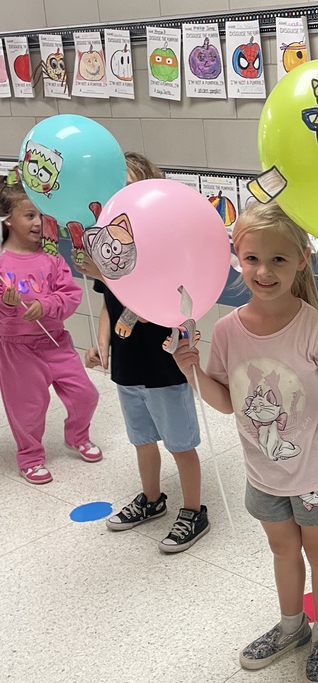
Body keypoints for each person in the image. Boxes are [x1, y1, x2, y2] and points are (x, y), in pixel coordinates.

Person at [172, 201, 318, 683]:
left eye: (278, 259)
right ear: (236, 257)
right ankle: (291, 625)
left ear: (301, 260)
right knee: (282, 549)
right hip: (263, 475)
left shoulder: (315, 325)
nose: (264, 270)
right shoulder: (228, 330)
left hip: (317, 474)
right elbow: (227, 402)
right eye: (252, 258)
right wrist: (188, 370)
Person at [82, 153, 208, 553]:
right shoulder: (114, 250)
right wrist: (102, 342)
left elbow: (157, 295)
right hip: (128, 362)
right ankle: (152, 499)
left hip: (164, 361)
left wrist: (102, 272)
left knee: (180, 444)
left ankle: (193, 510)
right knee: (141, 439)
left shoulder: (161, 249)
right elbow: (109, 305)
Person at [0, 175, 101, 484]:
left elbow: (71, 296)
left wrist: (45, 306)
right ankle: (30, 457)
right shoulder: (2, 264)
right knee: (27, 408)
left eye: (41, 215)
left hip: (56, 343)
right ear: (7, 221)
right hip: (16, 349)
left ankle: (77, 436)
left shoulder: (52, 259)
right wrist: (7, 304)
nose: (37, 222)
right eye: (29, 215)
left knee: (86, 394)